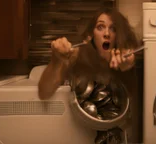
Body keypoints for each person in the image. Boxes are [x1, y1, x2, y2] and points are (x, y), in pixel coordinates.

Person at [38, 7, 142, 143]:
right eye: (100, 27)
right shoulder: (76, 56)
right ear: (90, 36)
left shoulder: (125, 58)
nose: (107, 33)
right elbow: (44, 92)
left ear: (119, 36)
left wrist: (129, 66)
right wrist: (56, 60)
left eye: (113, 28)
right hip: (76, 133)